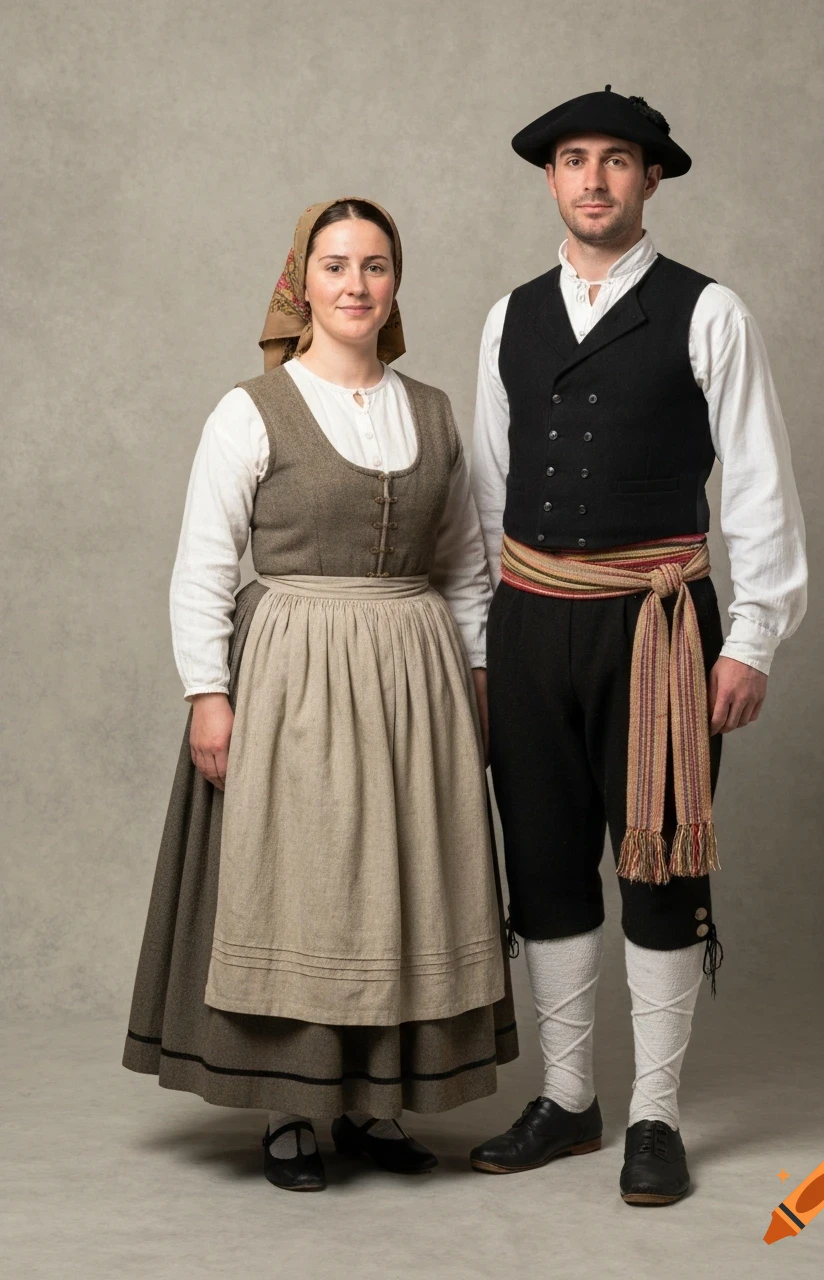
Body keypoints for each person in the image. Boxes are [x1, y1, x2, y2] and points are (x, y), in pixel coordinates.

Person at [123, 197, 518, 1192]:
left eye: (374, 265)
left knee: (403, 880)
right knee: (303, 877)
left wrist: (474, 679)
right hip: (295, 671)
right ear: (301, 282)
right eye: (335, 264)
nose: (355, 284)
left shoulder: (428, 409)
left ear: (394, 284)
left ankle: (379, 1102)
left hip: (416, 679)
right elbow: (204, 565)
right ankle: (294, 1110)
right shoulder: (250, 410)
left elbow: (466, 566)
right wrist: (205, 692)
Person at [468, 89, 807, 1203]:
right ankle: (568, 1098)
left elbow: (755, 481)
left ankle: (653, 1114)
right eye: (574, 160)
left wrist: (749, 634)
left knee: (659, 863)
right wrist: (481, 642)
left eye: (617, 161)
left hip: (658, 624)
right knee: (547, 860)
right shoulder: (506, 315)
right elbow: (485, 492)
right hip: (526, 618)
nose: (595, 180)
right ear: (551, 179)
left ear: (650, 179)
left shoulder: (708, 312)